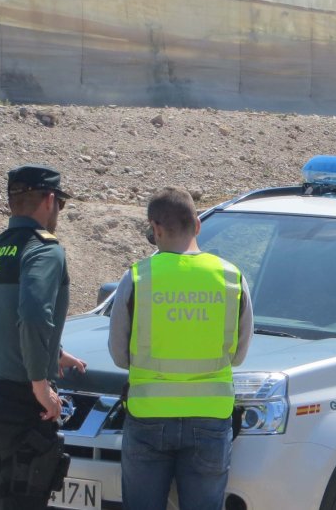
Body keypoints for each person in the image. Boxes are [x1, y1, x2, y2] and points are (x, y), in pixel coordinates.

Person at [108, 186, 254, 510]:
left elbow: (119, 355)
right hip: (211, 419)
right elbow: (239, 354)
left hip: (148, 417)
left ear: (155, 228)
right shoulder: (232, 278)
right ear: (198, 224)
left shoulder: (137, 278)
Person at [0, 164, 88, 510]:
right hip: (21, 406)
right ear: (50, 199)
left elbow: (2, 316)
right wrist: (40, 384)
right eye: (60, 205)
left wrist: (55, 352)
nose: (58, 213)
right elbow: (33, 315)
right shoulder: (44, 250)